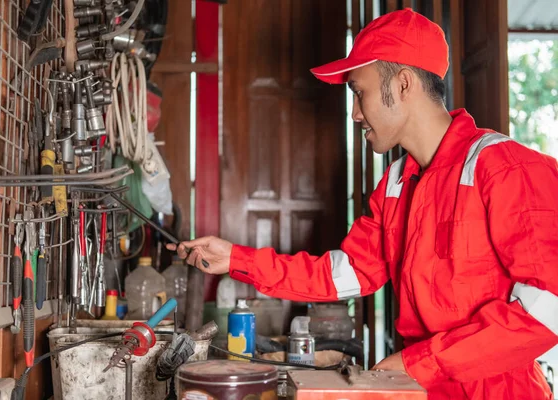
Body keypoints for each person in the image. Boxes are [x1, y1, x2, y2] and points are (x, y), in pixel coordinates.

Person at [167, 8, 558, 400]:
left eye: (359, 92)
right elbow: (343, 275)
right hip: (422, 389)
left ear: (403, 84)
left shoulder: (506, 167)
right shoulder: (396, 184)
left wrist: (417, 363)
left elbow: (547, 311)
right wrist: (235, 259)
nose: (355, 113)